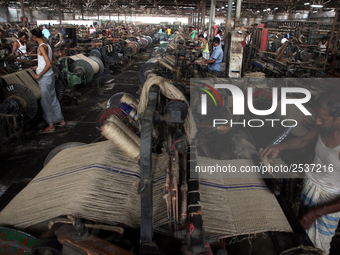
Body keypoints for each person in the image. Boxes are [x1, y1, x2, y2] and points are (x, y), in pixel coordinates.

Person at [261, 90, 340, 255]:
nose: (317, 122)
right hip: (310, 187)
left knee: (319, 248)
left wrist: (317, 213)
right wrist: (280, 147)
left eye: (323, 119)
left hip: (329, 200)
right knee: (302, 235)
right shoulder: (324, 129)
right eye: (317, 117)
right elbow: (303, 140)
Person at [30, 28, 65, 133]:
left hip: (44, 77)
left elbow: (49, 63)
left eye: (32, 36)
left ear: (34, 37)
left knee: (45, 101)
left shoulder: (41, 47)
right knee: (53, 98)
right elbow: (54, 60)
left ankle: (51, 125)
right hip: (50, 76)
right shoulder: (48, 46)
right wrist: (39, 66)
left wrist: (39, 74)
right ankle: (61, 120)